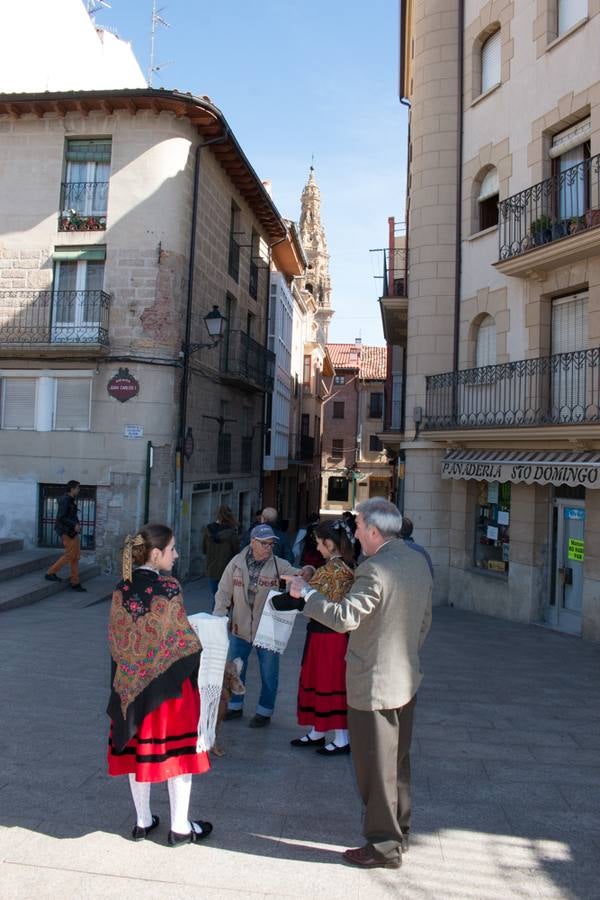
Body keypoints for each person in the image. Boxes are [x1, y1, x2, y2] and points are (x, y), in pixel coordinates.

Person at [275, 498, 432, 870]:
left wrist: (306, 595)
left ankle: (382, 846)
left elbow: (345, 617)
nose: (356, 533)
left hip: (373, 683)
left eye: (359, 526)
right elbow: (424, 621)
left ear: (375, 531)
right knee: (398, 764)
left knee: (375, 768)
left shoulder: (374, 569)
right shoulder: (416, 561)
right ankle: (399, 833)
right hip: (405, 678)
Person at [106, 523, 213, 846]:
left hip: (129, 688)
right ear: (156, 554)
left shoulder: (120, 589)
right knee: (177, 755)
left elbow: (117, 641)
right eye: (172, 550)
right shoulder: (168, 587)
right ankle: (180, 827)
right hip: (169, 690)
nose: (176, 555)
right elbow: (182, 640)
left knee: (137, 752)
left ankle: (141, 822)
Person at [213, 524, 311, 728]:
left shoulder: (279, 565)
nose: (269, 547)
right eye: (264, 543)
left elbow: (302, 575)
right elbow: (223, 592)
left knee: (269, 673)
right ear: (252, 542)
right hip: (239, 629)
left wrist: (308, 570)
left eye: (271, 543)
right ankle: (235, 707)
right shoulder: (236, 563)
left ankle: (264, 712)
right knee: (235, 671)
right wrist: (218, 618)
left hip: (267, 632)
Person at [289, 520, 355, 755]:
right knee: (320, 680)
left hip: (329, 636)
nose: (317, 548)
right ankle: (319, 730)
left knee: (329, 682)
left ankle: (341, 737)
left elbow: (299, 598)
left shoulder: (332, 570)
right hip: (326, 634)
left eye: (319, 543)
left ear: (329, 543)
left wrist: (295, 583)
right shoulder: (343, 566)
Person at [45, 479, 87, 592]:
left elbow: (71, 515)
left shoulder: (71, 500)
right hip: (66, 531)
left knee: (76, 556)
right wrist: (74, 525)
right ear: (72, 489)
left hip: (73, 531)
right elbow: (61, 517)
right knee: (69, 555)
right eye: (78, 488)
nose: (79, 490)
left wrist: (77, 525)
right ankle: (50, 572)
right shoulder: (65, 500)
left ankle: (75, 582)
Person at [202, 505, 240, 607]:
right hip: (227, 569)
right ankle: (224, 619)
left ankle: (216, 618)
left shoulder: (208, 530)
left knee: (216, 596)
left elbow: (204, 549)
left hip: (211, 568)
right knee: (226, 597)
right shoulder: (232, 533)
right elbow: (237, 553)